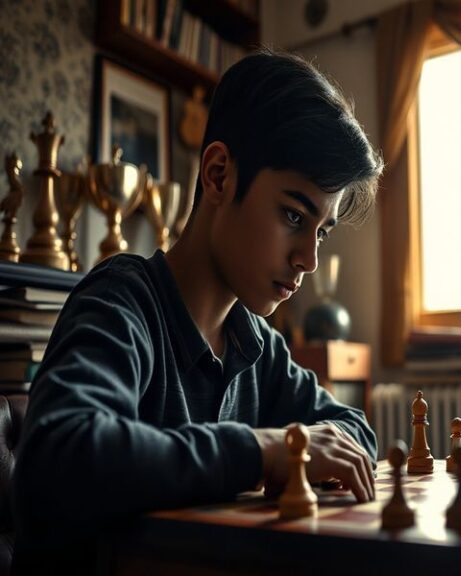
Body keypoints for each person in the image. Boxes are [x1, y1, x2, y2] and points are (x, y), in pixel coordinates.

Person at [11, 48, 383, 573]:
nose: (309, 260)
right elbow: (60, 455)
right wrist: (260, 451)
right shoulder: (121, 301)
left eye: (321, 231)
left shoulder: (255, 343)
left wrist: (299, 451)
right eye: (293, 216)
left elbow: (349, 429)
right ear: (218, 174)